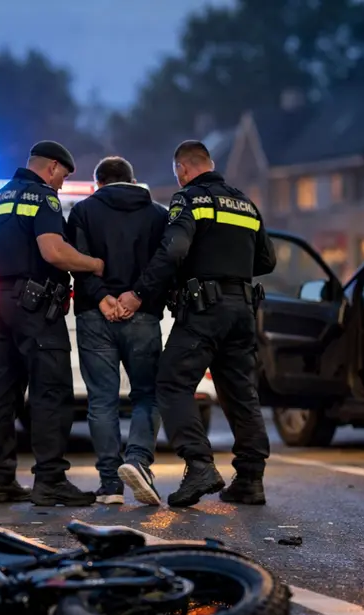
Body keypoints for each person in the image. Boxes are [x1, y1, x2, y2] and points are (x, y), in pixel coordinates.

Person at [127, 140, 276, 507]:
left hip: (204, 311)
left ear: (182, 169)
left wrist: (141, 292)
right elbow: (267, 260)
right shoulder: (245, 203)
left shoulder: (189, 199)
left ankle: (199, 466)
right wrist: (230, 266)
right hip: (242, 310)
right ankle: (250, 480)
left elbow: (174, 250)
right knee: (240, 392)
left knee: (171, 383)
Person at [0, 140, 104, 507]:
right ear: (52, 167)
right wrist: (95, 264)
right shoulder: (44, 198)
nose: (62, 183)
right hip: (35, 307)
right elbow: (53, 251)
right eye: (63, 175)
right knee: (51, 390)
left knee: (2, 393)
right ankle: (50, 481)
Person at [66, 156, 167, 506]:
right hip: (143, 314)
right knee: (147, 394)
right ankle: (137, 461)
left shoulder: (82, 212)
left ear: (98, 184)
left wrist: (102, 297)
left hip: (95, 316)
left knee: (102, 400)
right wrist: (136, 296)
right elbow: (163, 264)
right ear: (133, 180)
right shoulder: (157, 214)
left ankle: (110, 484)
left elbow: (76, 262)